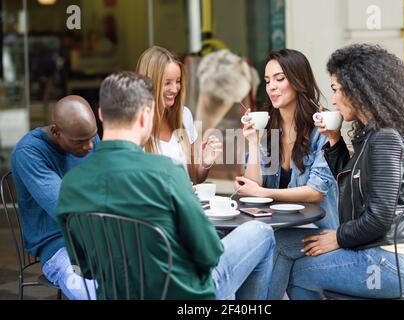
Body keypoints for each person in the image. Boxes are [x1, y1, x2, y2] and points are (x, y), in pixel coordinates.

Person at [56, 71, 275, 300]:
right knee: (260, 231)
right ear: (145, 116)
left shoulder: (71, 184)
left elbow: (85, 267)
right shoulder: (167, 171)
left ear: (101, 115)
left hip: (117, 295)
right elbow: (209, 254)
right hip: (184, 296)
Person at [279, 43, 404, 299]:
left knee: (300, 273)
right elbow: (351, 182)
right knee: (282, 242)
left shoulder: (385, 139)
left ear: (359, 89)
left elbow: (379, 218)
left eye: (337, 90)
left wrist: (338, 237)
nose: (334, 99)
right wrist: (334, 140)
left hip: (390, 261)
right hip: (379, 250)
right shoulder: (374, 133)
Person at [233, 49, 339, 298]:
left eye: (280, 79)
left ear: (298, 80)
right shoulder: (268, 124)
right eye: (268, 81)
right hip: (277, 226)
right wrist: (253, 142)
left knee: (273, 246)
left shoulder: (321, 126)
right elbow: (252, 186)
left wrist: (263, 192)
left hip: (317, 227)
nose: (272, 87)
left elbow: (316, 192)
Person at [11, 95, 99, 300]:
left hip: (97, 234)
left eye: (92, 137)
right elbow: (67, 208)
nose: (90, 146)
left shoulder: (87, 136)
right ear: (56, 132)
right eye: (80, 141)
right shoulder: (29, 152)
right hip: (60, 245)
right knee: (90, 291)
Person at [136, 46, 222, 184]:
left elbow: (195, 178)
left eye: (178, 81)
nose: (175, 89)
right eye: (167, 83)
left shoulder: (184, 115)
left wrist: (205, 162)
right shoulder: (135, 124)